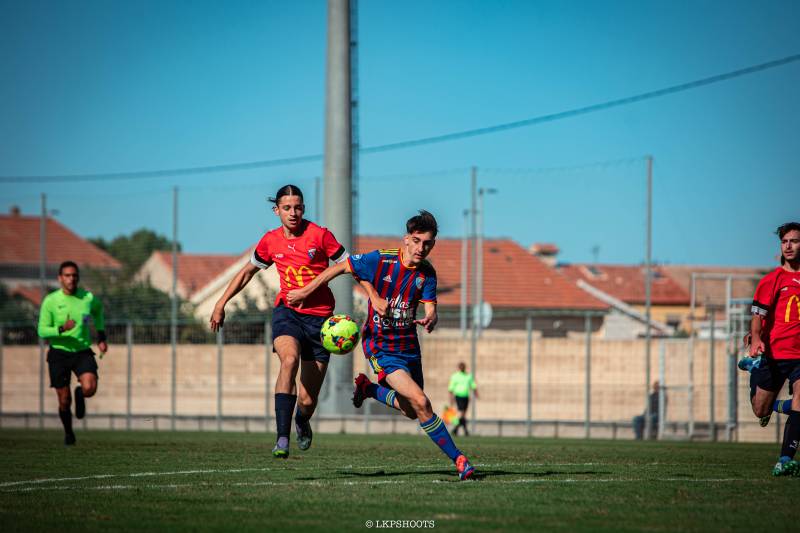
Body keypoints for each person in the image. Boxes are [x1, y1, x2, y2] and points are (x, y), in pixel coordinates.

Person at [287, 210, 476, 480]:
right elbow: (341, 267)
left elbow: (430, 307)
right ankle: (460, 460)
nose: (422, 248)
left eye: (428, 243)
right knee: (422, 401)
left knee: (413, 411)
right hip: (381, 347)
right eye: (417, 240)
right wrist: (307, 292)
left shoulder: (427, 274)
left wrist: (432, 316)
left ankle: (368, 389)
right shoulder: (381, 260)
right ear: (406, 239)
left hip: (410, 347)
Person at [210, 185, 348, 458]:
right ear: (277, 211)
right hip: (288, 312)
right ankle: (282, 437)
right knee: (289, 359)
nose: (293, 213)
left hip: (320, 321)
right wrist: (220, 303)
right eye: (287, 208)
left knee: (308, 401)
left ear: (304, 208)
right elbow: (247, 272)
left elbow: (347, 263)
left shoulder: (320, 235)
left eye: (297, 207)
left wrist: (372, 296)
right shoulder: (270, 241)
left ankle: (301, 420)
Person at [745, 221, 800, 476]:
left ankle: (785, 459)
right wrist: (756, 339)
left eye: (794, 241)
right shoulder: (773, 280)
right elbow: (757, 315)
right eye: (785, 241)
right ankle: (755, 369)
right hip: (775, 354)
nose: (788, 246)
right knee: (760, 410)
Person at [37, 261, 107, 446]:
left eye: (74, 275)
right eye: (67, 275)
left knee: (90, 388)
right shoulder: (51, 301)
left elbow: (98, 312)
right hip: (59, 353)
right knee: (63, 400)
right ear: (60, 278)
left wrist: (101, 337)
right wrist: (61, 328)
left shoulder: (87, 298)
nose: (71, 279)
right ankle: (69, 433)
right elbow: (42, 331)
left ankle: (80, 392)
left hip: (82, 351)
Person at [448, 362, 478, 436]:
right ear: (459, 368)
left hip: (466, 397)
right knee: (461, 413)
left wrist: (476, 392)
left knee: (463, 414)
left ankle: (457, 430)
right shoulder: (455, 376)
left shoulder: (468, 376)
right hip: (458, 396)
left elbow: (473, 385)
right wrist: (451, 398)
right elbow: (451, 388)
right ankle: (463, 430)